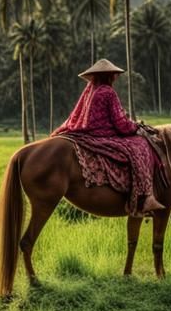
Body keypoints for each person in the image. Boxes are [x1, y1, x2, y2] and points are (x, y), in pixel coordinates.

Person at [54, 59, 164, 214]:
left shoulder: (90, 91)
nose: (115, 77)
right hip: (103, 134)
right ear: (109, 76)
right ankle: (146, 196)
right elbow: (120, 124)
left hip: (89, 132)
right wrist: (135, 127)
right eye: (113, 74)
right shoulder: (108, 92)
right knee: (140, 145)